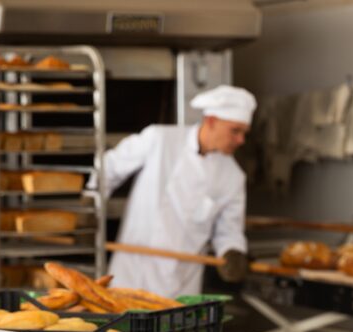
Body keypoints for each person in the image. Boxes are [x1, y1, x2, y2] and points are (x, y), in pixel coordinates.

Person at [103, 85, 256, 297]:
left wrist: (232, 251)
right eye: (235, 131)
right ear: (211, 121)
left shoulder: (233, 176)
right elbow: (110, 167)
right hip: (133, 272)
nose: (241, 140)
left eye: (244, 133)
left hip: (180, 284)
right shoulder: (160, 140)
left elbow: (229, 229)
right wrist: (92, 203)